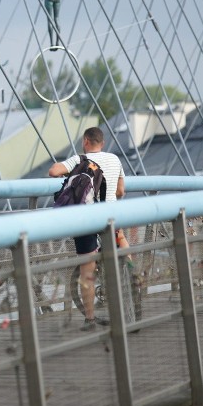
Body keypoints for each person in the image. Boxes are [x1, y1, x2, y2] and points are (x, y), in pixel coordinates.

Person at [48, 126, 128, 331]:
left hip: (87, 220)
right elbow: (120, 191)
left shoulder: (80, 159)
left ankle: (90, 319)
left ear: (85, 141)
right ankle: (131, 278)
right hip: (109, 217)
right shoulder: (114, 159)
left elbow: (54, 171)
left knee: (87, 270)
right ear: (102, 143)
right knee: (121, 244)